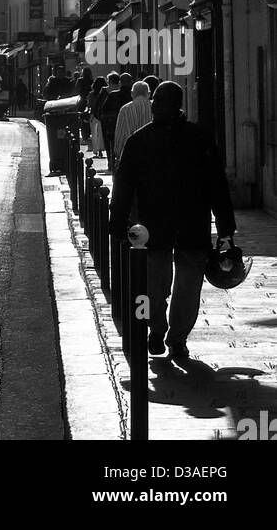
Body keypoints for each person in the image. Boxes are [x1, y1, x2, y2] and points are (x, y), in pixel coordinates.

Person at [110, 80, 236, 362]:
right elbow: (123, 186)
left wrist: (226, 226)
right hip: (165, 228)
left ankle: (174, 337)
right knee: (159, 287)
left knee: (184, 289)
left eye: (159, 100)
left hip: (176, 227)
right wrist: (117, 222)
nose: (154, 105)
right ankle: (161, 332)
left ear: (174, 105)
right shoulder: (146, 140)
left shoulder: (190, 139)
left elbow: (217, 185)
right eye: (154, 100)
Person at [113, 80, 152, 166]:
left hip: (131, 156)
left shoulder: (125, 109)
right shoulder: (154, 107)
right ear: (149, 93)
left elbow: (120, 134)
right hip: (152, 155)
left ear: (132, 93)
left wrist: (119, 155)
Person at [98, 71, 131, 169]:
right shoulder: (133, 95)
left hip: (112, 126)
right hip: (130, 125)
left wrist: (105, 121)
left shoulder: (113, 95)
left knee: (112, 146)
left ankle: (112, 164)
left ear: (120, 82)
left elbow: (102, 110)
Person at [87, 76, 108, 158]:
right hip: (102, 115)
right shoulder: (105, 93)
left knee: (94, 133)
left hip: (93, 115)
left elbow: (89, 105)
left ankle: (96, 150)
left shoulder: (91, 94)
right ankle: (102, 149)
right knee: (102, 133)